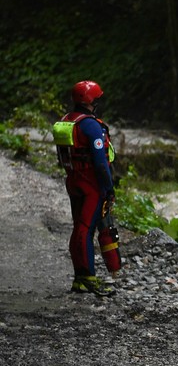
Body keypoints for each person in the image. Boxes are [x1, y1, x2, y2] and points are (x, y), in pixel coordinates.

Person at [52, 80, 120, 297]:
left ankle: (80, 278)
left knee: (79, 227)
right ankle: (88, 279)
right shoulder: (90, 125)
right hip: (91, 185)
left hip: (73, 181)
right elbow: (100, 162)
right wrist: (108, 188)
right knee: (85, 229)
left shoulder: (67, 121)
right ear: (90, 100)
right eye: (97, 98)